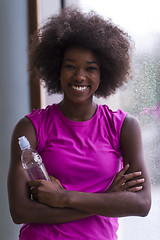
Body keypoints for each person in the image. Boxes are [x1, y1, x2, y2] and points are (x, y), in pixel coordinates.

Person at [8, 7, 151, 240]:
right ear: (57, 69)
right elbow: (19, 210)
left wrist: (63, 198)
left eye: (91, 68)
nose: (80, 76)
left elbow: (142, 203)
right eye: (70, 66)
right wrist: (108, 198)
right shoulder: (30, 128)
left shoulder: (124, 126)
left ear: (104, 73)